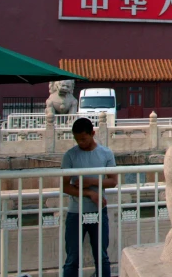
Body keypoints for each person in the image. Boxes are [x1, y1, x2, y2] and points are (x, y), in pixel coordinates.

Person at [62, 118, 117, 277]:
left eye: (84, 139)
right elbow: (65, 186)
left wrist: (90, 182)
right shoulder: (70, 156)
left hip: (99, 211)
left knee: (102, 256)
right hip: (75, 212)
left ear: (92, 134)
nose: (80, 142)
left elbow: (113, 181)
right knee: (72, 258)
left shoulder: (106, 153)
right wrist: (90, 193)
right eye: (77, 139)